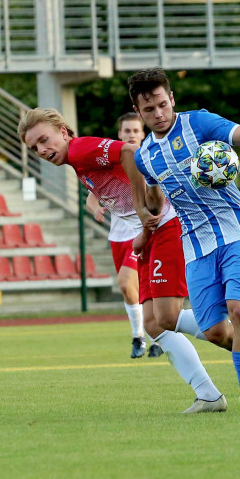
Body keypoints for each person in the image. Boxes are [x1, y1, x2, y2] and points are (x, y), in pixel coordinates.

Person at [19, 107, 228, 414]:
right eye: (33, 147)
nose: (41, 150)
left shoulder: (80, 149)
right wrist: (141, 227)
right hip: (150, 233)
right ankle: (208, 395)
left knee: (166, 316)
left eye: (44, 140)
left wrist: (144, 214)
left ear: (63, 132)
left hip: (166, 226)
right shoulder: (77, 162)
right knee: (153, 323)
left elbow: (130, 152)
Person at [123, 67, 240, 416]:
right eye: (149, 110)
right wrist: (145, 210)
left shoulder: (198, 123)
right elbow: (155, 199)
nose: (158, 114)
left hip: (237, 230)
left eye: (163, 104)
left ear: (172, 98)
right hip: (195, 244)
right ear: (139, 111)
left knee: (239, 310)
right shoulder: (145, 156)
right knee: (214, 331)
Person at [84, 112, 162, 359]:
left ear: (143, 134)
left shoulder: (148, 159)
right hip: (118, 235)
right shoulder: (110, 162)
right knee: (131, 290)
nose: (131, 135)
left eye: (135, 131)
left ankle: (152, 336)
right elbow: (92, 195)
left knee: (127, 283)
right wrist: (96, 209)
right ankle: (141, 336)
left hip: (143, 232)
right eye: (126, 131)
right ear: (119, 134)